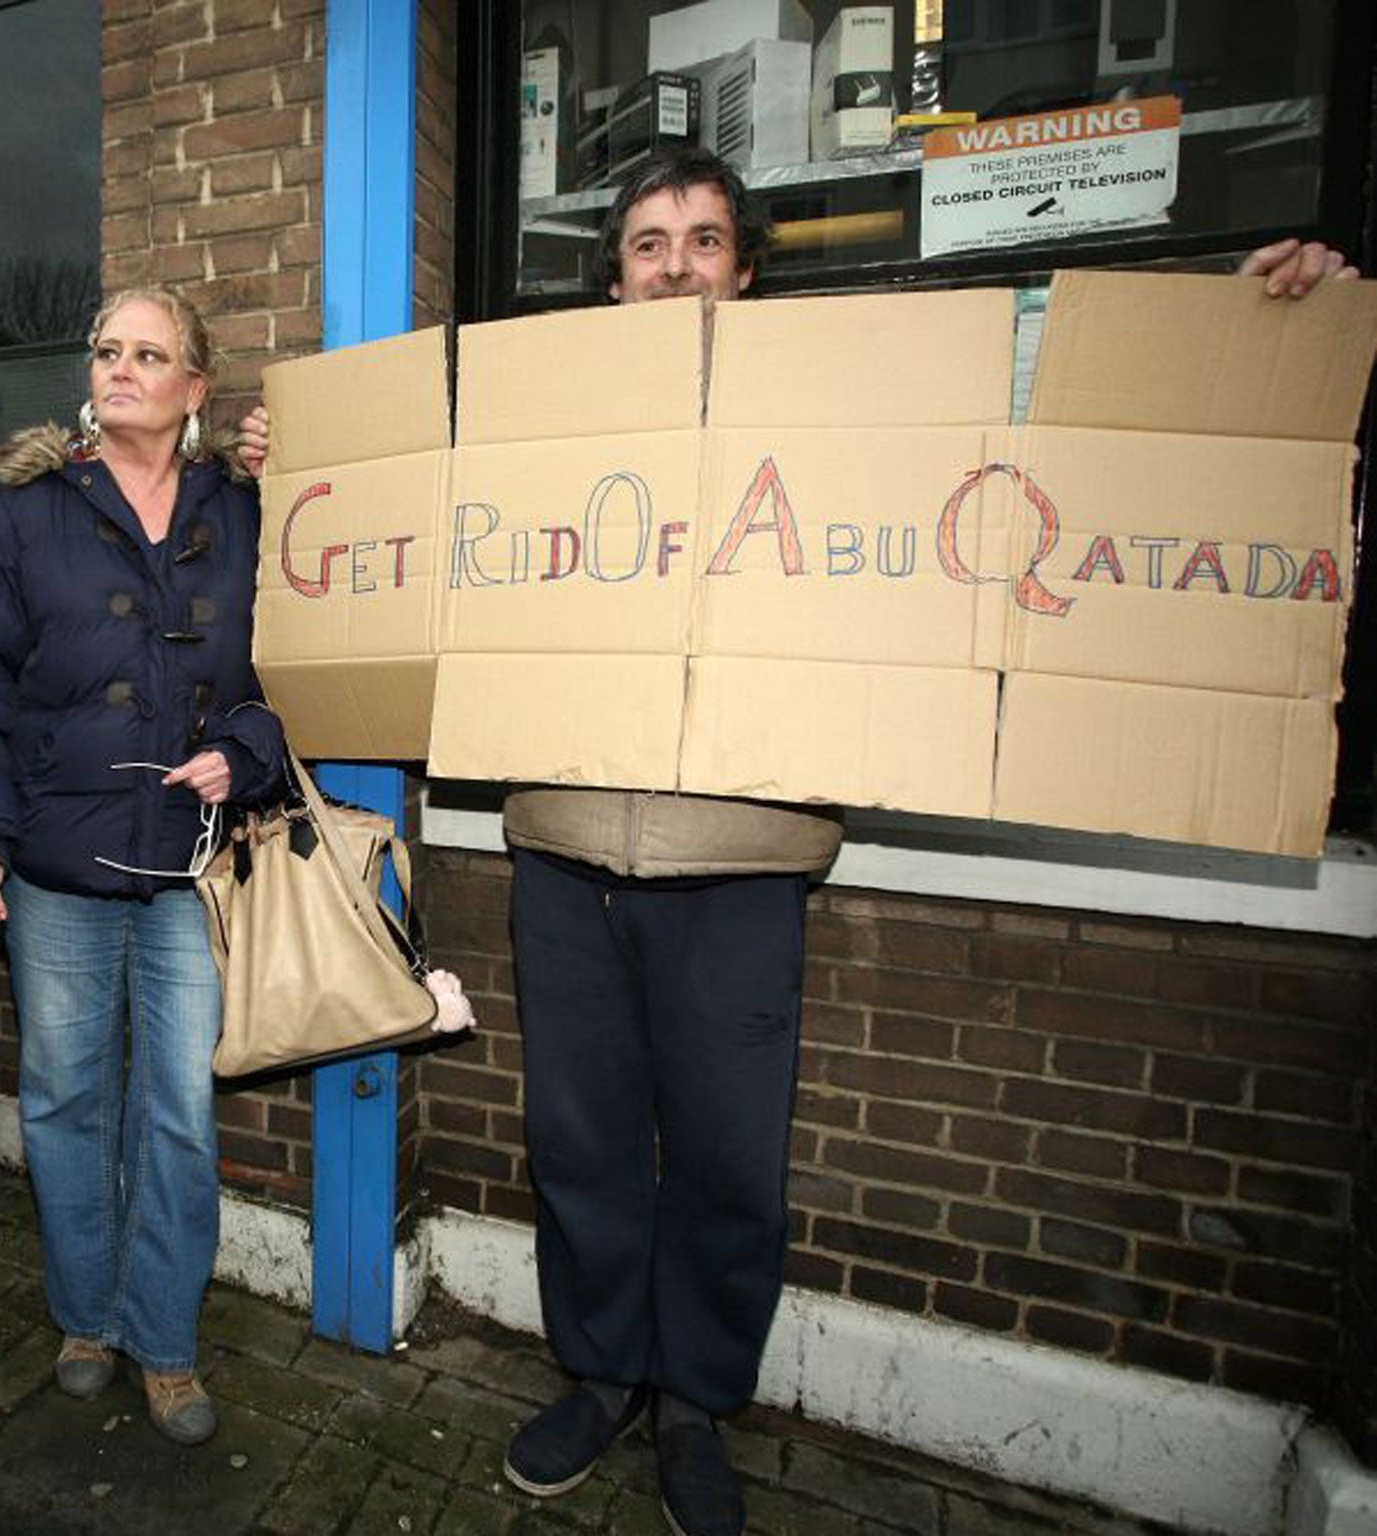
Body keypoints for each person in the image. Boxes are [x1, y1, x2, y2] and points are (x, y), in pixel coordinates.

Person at [237, 149, 1360, 1536]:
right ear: (614, 274)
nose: (676, 265)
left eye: (706, 240)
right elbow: (402, 499)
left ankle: (699, 1402)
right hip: (567, 856)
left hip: (745, 866)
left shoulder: (847, 404)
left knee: (723, 1159)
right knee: (580, 1146)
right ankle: (601, 1376)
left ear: (745, 267)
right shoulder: (544, 424)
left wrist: (1259, 320)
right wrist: (303, 467)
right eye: (648, 243)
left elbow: (1039, 413)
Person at [0, 287, 286, 1446]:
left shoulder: (243, 513)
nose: (119, 368)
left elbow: (292, 675)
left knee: (178, 1115)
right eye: (105, 350)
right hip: (55, 865)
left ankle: (166, 1342)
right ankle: (86, 1318)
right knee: (66, 1101)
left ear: (193, 388)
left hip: (190, 870)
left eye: (149, 354)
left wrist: (245, 750)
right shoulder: (21, 519)